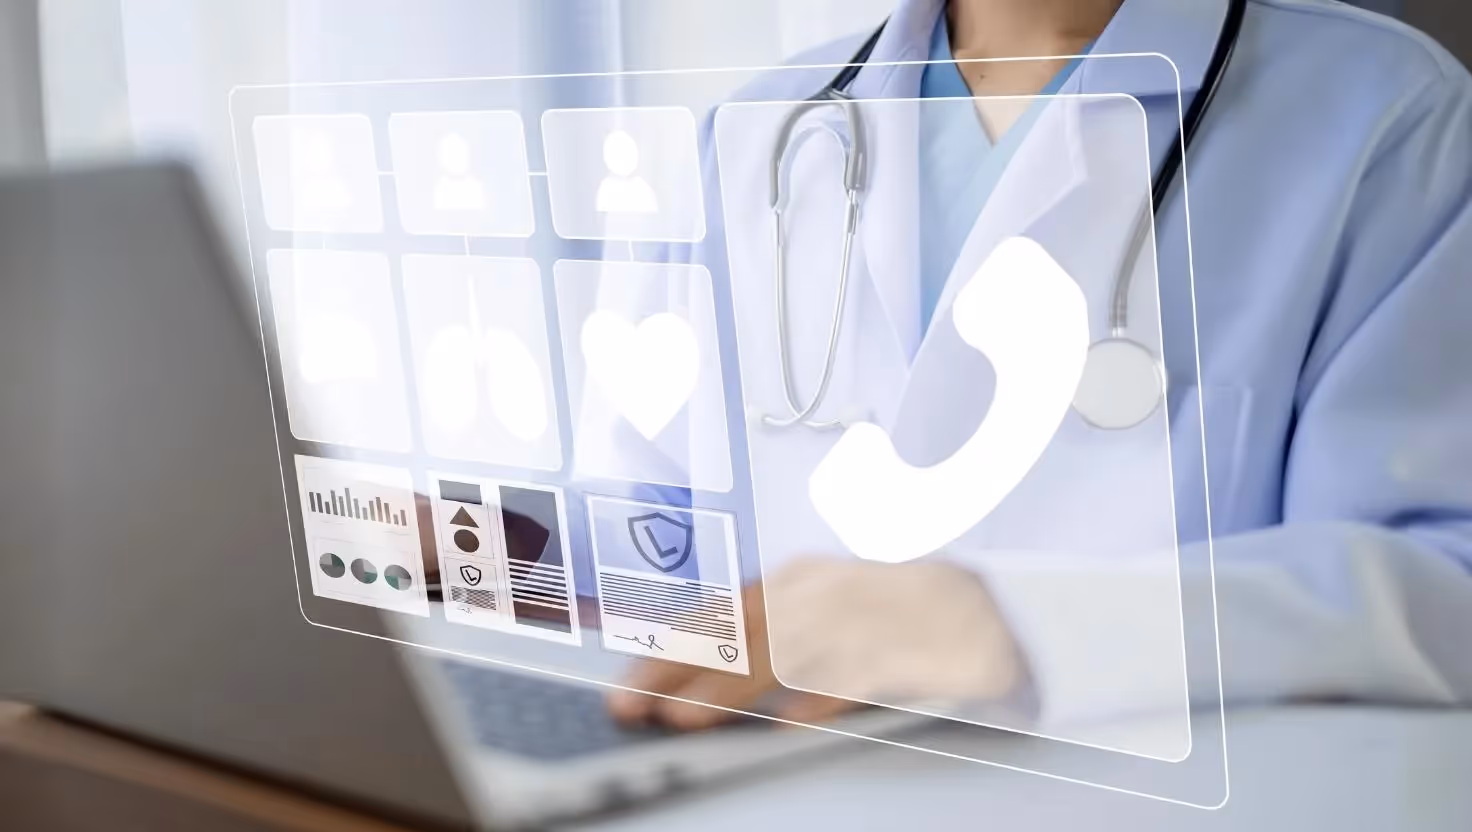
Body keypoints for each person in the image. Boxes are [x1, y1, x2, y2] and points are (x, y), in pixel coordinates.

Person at [602, 0, 1472, 734]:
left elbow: (1444, 579)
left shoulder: (1386, 114)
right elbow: (656, 515)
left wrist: (1018, 625)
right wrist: (506, 548)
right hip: (765, 789)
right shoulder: (760, 128)